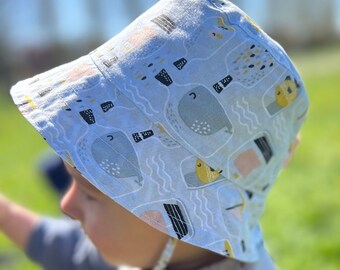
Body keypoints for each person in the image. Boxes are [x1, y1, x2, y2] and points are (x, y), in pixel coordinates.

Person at [9, 0, 309, 269]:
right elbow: (70, 251)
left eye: (91, 195)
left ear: (186, 222)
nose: (66, 205)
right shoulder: (150, 250)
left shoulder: (141, 250)